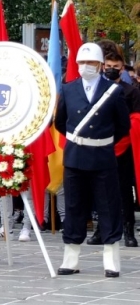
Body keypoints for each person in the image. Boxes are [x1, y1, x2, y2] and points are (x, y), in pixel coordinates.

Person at [54, 43, 130, 277]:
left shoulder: (113, 91)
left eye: (91, 63)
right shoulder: (68, 89)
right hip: (76, 157)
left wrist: (101, 141)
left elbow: (122, 126)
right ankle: (71, 258)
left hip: (102, 157)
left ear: (100, 65)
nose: (86, 67)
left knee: (108, 207)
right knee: (74, 207)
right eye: (82, 63)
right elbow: (61, 123)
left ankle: (111, 259)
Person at [88, 41, 140, 247]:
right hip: (101, 147)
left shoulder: (132, 91)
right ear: (102, 67)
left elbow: (135, 120)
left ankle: (128, 230)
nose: (111, 70)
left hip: (123, 148)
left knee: (124, 191)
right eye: (107, 67)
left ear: (122, 67)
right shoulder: (96, 89)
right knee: (100, 191)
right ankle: (102, 229)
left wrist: (121, 141)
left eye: (115, 67)